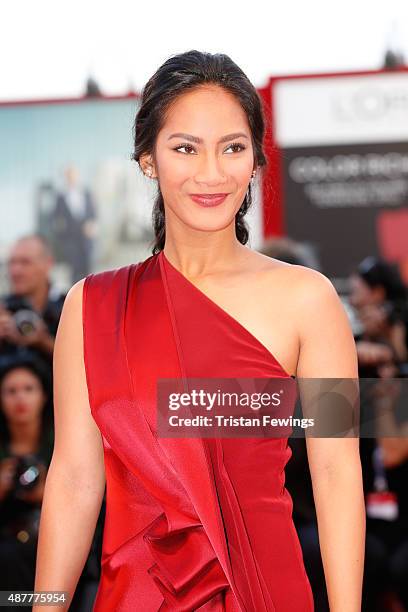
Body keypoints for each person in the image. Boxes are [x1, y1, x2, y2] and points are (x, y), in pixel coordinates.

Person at [34, 50, 365, 612]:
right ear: (147, 159)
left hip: (265, 589)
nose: (211, 172)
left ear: (256, 160)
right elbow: (72, 481)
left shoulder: (309, 299)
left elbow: (335, 471)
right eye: (185, 147)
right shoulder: (91, 306)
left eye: (232, 147)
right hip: (136, 595)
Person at [0, 356, 53, 605]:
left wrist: (49, 494)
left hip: (54, 545)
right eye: (11, 391)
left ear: (44, 395)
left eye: (28, 389)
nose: (20, 398)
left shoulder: (61, 444)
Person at [0, 234, 66, 367]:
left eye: (25, 262)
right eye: (12, 262)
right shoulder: (3, 309)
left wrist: (43, 341)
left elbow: (85, 366)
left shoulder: (69, 307)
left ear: (48, 264)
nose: (15, 271)